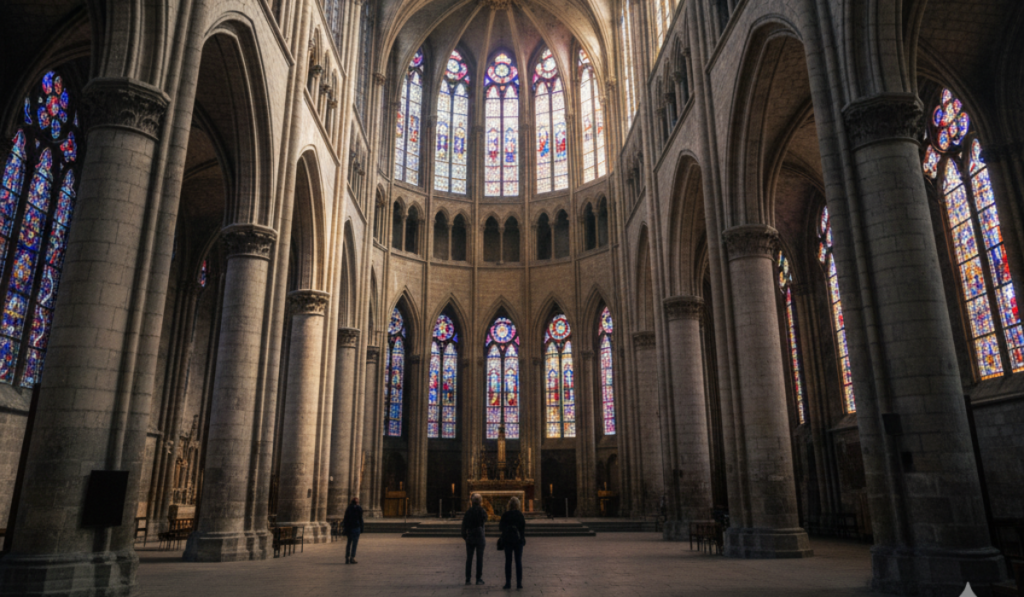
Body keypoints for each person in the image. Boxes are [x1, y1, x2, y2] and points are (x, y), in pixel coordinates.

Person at [499, 497, 526, 590]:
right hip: (518, 540)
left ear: (509, 505)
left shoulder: (505, 515)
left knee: (508, 561)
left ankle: (508, 583)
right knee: (518, 561)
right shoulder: (520, 515)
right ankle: (519, 583)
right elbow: (523, 528)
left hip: (508, 540)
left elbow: (501, 527)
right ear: (518, 505)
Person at [461, 493, 487, 585]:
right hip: (480, 535)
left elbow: (464, 525)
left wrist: (465, 536)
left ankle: (468, 579)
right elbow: (484, 520)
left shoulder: (468, 512)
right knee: (479, 558)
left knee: (469, 558)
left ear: (472, 501)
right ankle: (478, 578)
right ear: (480, 502)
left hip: (471, 535)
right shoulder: (482, 511)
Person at [342, 497, 363, 564]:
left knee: (349, 543)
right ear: (357, 502)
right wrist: (361, 528)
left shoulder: (349, 508)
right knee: (354, 544)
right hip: (356, 527)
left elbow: (345, 518)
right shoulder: (359, 508)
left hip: (349, 527)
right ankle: (352, 557)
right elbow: (360, 519)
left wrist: (345, 528)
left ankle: (347, 557)